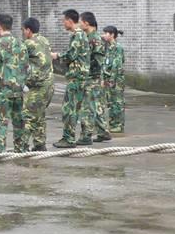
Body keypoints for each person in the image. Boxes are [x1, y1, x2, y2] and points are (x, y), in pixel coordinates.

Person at [0, 14, 28, 153]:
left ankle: (1, 150)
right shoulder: (20, 43)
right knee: (19, 120)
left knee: (0, 119)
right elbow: (25, 65)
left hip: (4, 89)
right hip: (18, 88)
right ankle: (20, 148)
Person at [52, 9, 90, 148]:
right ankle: (70, 137)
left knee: (69, 109)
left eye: (64, 20)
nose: (63, 23)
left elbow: (71, 55)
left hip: (76, 78)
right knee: (74, 108)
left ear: (69, 20)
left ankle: (68, 138)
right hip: (80, 77)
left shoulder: (78, 35)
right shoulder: (80, 35)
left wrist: (56, 56)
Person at [21, 17, 53, 152]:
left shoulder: (28, 43)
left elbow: (18, 60)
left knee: (28, 115)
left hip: (38, 85)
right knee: (39, 115)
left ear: (28, 30)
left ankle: (21, 146)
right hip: (49, 85)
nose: (23, 33)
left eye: (23, 30)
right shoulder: (45, 40)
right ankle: (40, 144)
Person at [78, 12, 110, 143]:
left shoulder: (92, 39)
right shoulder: (95, 37)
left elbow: (97, 60)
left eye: (80, 22)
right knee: (98, 105)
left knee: (87, 107)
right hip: (96, 77)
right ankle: (103, 131)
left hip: (91, 77)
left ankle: (86, 135)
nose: (79, 24)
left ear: (86, 23)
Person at [101, 26, 125, 134]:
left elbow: (117, 65)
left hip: (115, 80)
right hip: (108, 79)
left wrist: (111, 80)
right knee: (111, 102)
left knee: (117, 103)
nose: (104, 35)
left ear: (112, 35)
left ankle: (118, 125)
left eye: (106, 33)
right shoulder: (108, 46)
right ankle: (113, 124)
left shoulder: (117, 47)